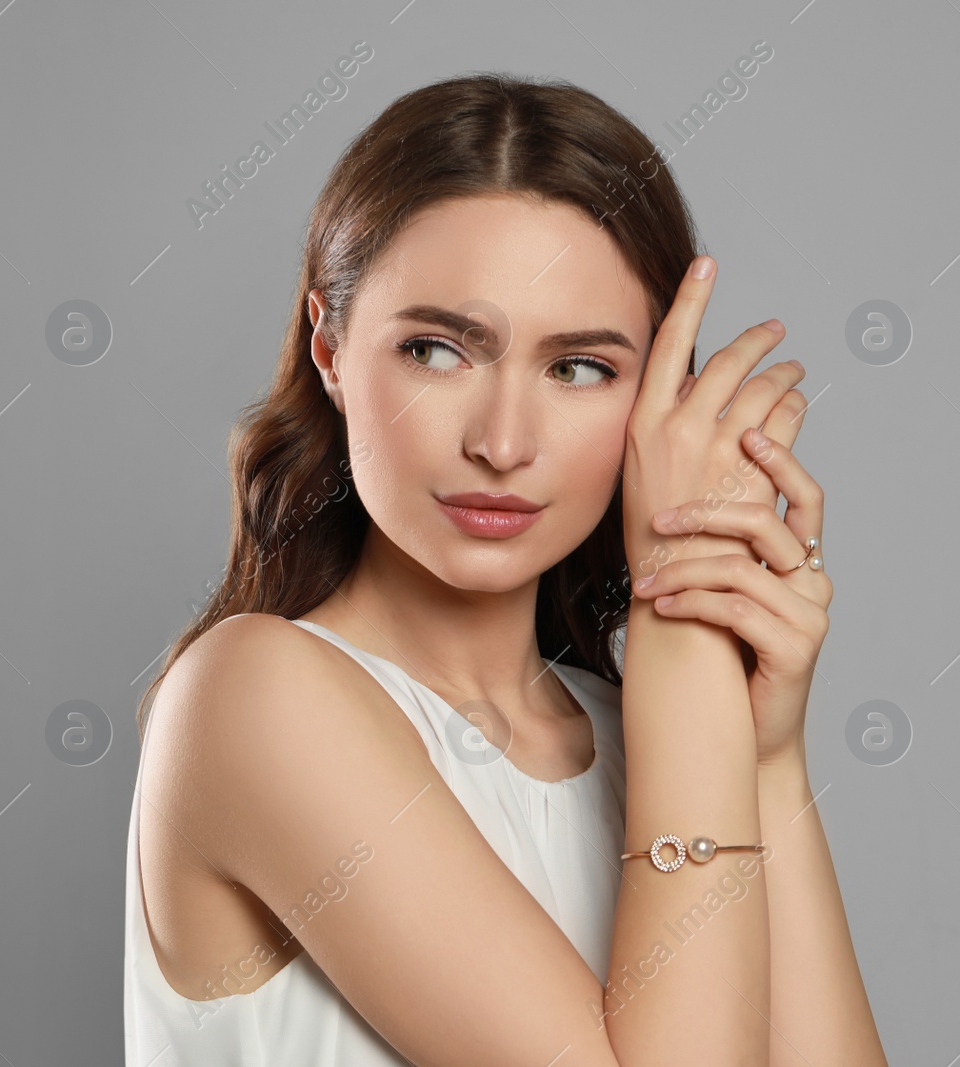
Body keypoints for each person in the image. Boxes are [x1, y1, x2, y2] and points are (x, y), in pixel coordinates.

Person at [125, 72, 886, 1065]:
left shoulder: (644, 734)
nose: (501, 441)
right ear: (330, 346)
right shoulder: (250, 695)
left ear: (658, 399)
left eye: (579, 367)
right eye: (439, 350)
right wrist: (683, 649)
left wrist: (766, 755)